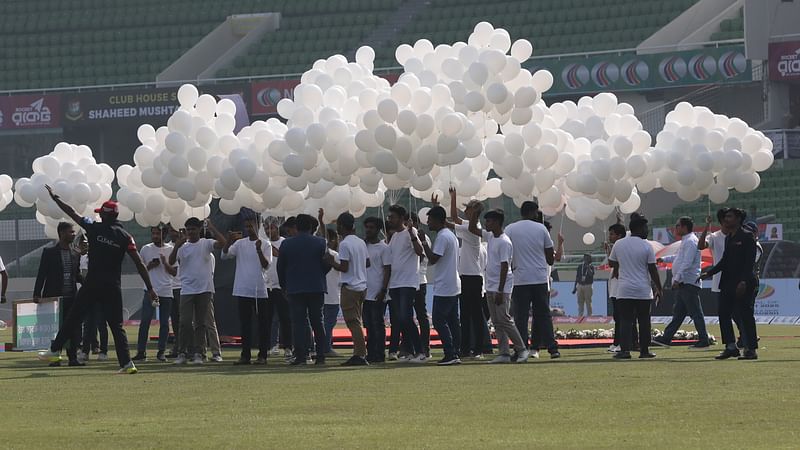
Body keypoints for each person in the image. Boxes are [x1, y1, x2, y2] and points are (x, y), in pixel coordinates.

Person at [38, 188, 158, 375]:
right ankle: (127, 364)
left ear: (103, 215)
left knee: (73, 317)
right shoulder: (126, 236)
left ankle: (54, 350)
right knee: (116, 326)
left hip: (93, 283)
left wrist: (56, 198)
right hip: (113, 286)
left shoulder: (94, 227)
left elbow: (72, 213)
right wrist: (150, 288)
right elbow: (140, 263)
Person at [468, 209, 530, 364]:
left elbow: (505, 267)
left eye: (488, 221)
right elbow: (472, 229)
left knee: (504, 319)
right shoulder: (490, 236)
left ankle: (522, 349)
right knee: (496, 321)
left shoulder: (504, 241)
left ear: (496, 222)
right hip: (490, 285)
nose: (486, 224)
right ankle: (503, 353)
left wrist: (501, 290)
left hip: (501, 287)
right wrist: (474, 214)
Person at [701, 208, 759, 360]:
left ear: (738, 219)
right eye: (726, 217)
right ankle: (731, 346)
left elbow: (749, 262)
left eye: (730, 216)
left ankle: (751, 349)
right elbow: (724, 261)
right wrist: (709, 272)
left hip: (743, 283)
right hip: (727, 282)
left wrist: (744, 281)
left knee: (745, 315)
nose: (726, 219)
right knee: (723, 314)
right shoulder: (729, 238)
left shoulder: (747, 237)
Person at [505, 201, 559, 359]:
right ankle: (552, 348)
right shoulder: (541, 228)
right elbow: (550, 257)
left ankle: (521, 348)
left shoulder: (510, 228)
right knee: (543, 315)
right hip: (540, 277)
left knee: (520, 317)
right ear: (534, 212)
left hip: (520, 278)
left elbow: (506, 250)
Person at [169, 217, 227, 365]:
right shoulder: (183, 246)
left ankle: (200, 354)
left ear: (199, 230)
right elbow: (170, 262)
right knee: (185, 322)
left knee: (201, 323)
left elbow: (223, 243)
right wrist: (177, 246)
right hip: (187, 289)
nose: (191, 232)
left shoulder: (205, 243)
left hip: (204, 289)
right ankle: (182, 353)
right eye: (188, 230)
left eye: (193, 229)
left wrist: (212, 227)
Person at [277, 213, 331, 366]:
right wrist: (320, 275)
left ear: (297, 227)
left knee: (298, 323)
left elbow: (280, 267)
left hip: (295, 288)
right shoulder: (321, 242)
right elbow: (327, 264)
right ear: (309, 227)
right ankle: (320, 355)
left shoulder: (287, 244)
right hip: (316, 287)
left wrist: (284, 286)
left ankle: (301, 356)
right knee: (317, 322)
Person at [608, 213, 662, 360]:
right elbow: (652, 269)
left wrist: (623, 263)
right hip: (643, 290)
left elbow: (611, 262)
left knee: (626, 320)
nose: (647, 230)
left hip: (624, 289)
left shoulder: (619, 244)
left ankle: (625, 351)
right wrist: (659, 288)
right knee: (644, 321)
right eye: (645, 227)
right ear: (638, 228)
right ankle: (644, 351)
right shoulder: (647, 246)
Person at [652, 217, 710, 349]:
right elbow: (679, 257)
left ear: (684, 227)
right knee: (679, 313)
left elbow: (687, 262)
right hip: (685, 282)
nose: (675, 228)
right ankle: (666, 338)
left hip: (687, 282)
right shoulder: (686, 241)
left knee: (695, 312)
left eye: (677, 225)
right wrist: (663, 259)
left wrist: (677, 279)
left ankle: (703, 339)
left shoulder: (690, 241)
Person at [448, 188, 491, 359]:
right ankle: (466, 349)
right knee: (465, 315)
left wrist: (475, 211)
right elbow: (455, 217)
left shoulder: (473, 229)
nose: (465, 211)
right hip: (465, 276)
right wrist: (453, 198)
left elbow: (450, 222)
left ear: (474, 212)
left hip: (473, 277)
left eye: (468, 209)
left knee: (475, 315)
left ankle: (478, 349)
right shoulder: (468, 226)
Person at [222, 216, 271, 365]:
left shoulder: (265, 243)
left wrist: (258, 250)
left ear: (258, 226)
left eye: (251, 226)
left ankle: (263, 355)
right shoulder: (240, 243)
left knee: (262, 323)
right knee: (245, 324)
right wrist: (229, 241)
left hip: (260, 289)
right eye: (247, 227)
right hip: (242, 289)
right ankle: (246, 355)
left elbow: (266, 265)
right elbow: (224, 255)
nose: (249, 229)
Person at [33, 222, 83, 366]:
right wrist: (37, 293)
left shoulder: (75, 252)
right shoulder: (49, 252)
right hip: (54, 298)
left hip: (71, 297)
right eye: (70, 232)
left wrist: (87, 284)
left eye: (73, 232)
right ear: (61, 233)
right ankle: (55, 357)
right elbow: (41, 274)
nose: (73, 235)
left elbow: (76, 274)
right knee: (56, 329)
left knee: (72, 327)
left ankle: (72, 358)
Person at [324, 212, 370, 366]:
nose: (337, 229)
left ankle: (360, 354)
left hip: (350, 286)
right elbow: (368, 263)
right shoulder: (360, 242)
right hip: (362, 286)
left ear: (342, 226)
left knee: (352, 321)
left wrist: (331, 261)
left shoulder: (345, 244)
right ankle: (360, 352)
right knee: (357, 321)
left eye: (338, 226)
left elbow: (343, 267)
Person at [420, 206, 462, 365]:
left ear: (438, 220)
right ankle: (455, 352)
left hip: (445, 285)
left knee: (438, 320)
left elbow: (432, 258)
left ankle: (450, 353)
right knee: (452, 320)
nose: (428, 223)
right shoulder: (450, 235)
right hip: (452, 283)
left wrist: (423, 241)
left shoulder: (443, 237)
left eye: (430, 220)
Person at [385, 204, 427, 363]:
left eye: (392, 217)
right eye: (388, 217)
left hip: (408, 282)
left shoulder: (411, 232)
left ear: (402, 219)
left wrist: (412, 233)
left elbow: (420, 252)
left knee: (406, 318)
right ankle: (409, 351)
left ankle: (421, 352)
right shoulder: (394, 236)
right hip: (395, 283)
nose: (389, 220)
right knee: (400, 320)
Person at [132, 226, 177, 362]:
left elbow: (174, 272)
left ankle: (161, 352)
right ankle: (141, 351)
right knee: (145, 321)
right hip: (150, 290)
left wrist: (164, 263)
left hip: (166, 290)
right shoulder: (146, 248)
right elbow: (141, 269)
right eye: (154, 233)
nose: (156, 236)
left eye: (158, 233)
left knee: (164, 323)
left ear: (165, 234)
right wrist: (151, 265)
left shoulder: (170, 249)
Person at [605, 223, 638, 354]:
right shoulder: (617, 247)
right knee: (618, 316)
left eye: (612, 234)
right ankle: (618, 342)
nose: (610, 236)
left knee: (622, 317)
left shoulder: (623, 246)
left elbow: (614, 263)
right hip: (615, 286)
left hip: (621, 286)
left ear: (619, 235)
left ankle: (625, 343)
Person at [363, 217, 391, 363]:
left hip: (377, 292)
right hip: (364, 292)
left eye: (371, 227)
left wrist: (383, 290)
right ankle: (370, 353)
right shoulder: (363, 245)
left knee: (377, 324)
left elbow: (387, 270)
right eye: (367, 227)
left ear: (379, 229)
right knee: (368, 325)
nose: (368, 230)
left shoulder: (384, 248)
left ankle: (379, 354)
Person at [265, 218, 293, 360]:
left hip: (281, 286)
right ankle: (271, 345)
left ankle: (288, 347)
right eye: (266, 228)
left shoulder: (284, 243)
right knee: (268, 318)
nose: (269, 231)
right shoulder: (263, 244)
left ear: (277, 228)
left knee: (285, 318)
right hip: (267, 286)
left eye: (271, 228)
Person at [410, 212, 431, 358]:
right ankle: (411, 347)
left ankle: (425, 347)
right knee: (407, 317)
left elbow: (421, 256)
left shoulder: (422, 238)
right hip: (409, 282)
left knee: (421, 316)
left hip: (419, 281)